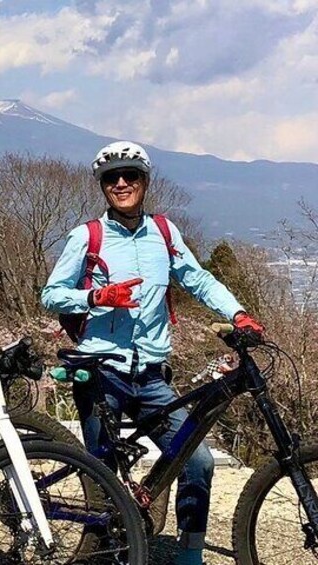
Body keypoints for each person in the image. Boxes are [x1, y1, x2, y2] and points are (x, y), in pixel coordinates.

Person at [41, 140, 264, 565]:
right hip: (102, 370)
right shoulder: (87, 236)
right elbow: (51, 295)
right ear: (102, 186)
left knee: (196, 459)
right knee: (102, 475)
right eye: (112, 178)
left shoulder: (164, 232)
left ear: (145, 181)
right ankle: (108, 550)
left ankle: (189, 555)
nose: (121, 183)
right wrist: (97, 296)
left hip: (152, 376)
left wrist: (238, 314)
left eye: (130, 176)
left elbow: (197, 279)